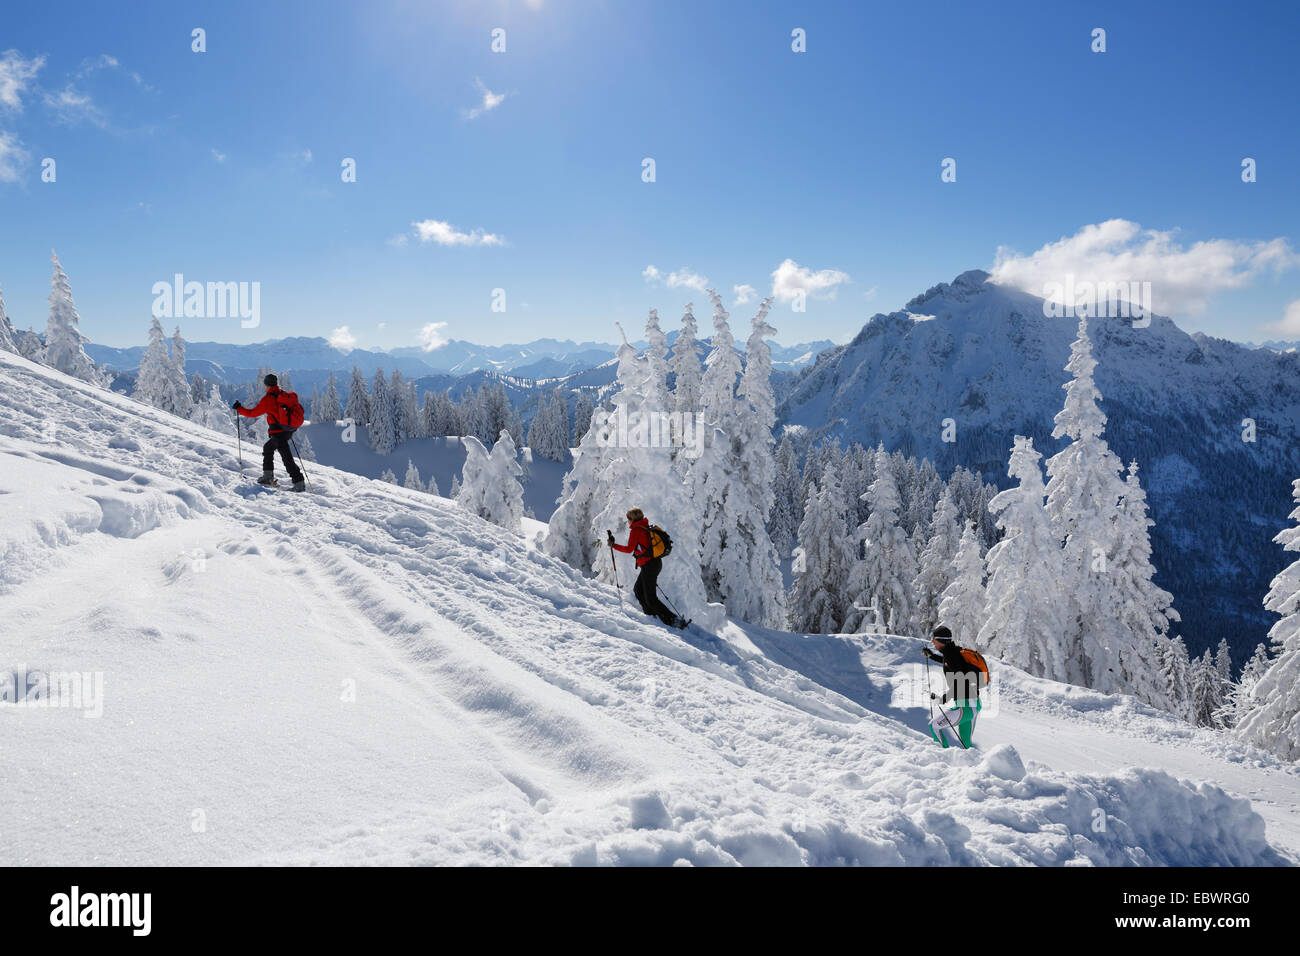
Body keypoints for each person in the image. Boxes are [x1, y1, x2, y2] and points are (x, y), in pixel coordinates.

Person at [607, 507, 685, 629]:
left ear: (632, 519)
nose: (627, 521)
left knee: (650, 597)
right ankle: (652, 616)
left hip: (650, 566)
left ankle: (674, 620)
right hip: (653, 564)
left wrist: (613, 545)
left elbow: (629, 549)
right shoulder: (645, 526)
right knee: (638, 590)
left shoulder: (636, 530)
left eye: (628, 519)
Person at [233, 373, 305, 491]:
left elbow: (252, 413)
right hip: (286, 431)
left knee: (286, 458)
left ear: (266, 384)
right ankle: (268, 477)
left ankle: (299, 483)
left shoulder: (269, 399)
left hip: (278, 432)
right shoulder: (281, 394)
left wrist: (239, 409)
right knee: (268, 448)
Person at [921, 625, 983, 748]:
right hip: (974, 705)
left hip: (965, 707)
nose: (932, 642)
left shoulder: (950, 655)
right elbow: (950, 663)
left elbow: (960, 681)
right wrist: (932, 656)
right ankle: (974, 766)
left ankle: (944, 757)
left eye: (934, 639)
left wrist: (944, 698)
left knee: (934, 726)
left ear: (942, 641)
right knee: (966, 745)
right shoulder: (954, 652)